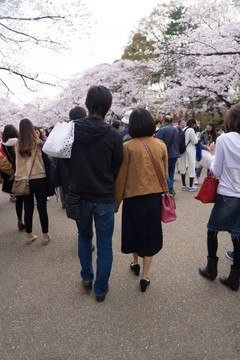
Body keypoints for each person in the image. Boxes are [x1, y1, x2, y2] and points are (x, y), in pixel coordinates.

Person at [67, 85, 123, 302]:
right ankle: (100, 289)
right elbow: (116, 167)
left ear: (87, 104)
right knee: (105, 244)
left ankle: (86, 278)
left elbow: (63, 158)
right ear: (108, 106)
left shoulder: (72, 129)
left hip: (79, 194)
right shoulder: (113, 135)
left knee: (83, 236)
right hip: (104, 196)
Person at [115, 108, 168, 293]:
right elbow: (165, 173)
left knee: (134, 232)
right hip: (154, 198)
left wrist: (116, 203)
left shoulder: (127, 147)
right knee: (151, 235)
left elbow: (121, 178)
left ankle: (135, 263)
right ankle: (144, 277)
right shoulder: (160, 145)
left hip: (132, 198)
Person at [199, 103, 240, 291]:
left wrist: (213, 154)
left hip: (228, 193)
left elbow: (215, 171)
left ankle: (211, 269)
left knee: (212, 230)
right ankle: (234, 277)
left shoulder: (224, 139)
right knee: (237, 235)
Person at [14, 118, 52, 245]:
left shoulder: (17, 145)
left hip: (24, 181)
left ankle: (29, 235)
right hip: (39, 179)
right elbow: (47, 162)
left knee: (28, 208)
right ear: (32, 129)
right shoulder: (39, 143)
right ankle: (45, 236)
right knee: (42, 208)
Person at [1, 125, 25, 231]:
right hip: (22, 171)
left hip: (10, 172)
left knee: (18, 198)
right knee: (27, 198)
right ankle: (28, 221)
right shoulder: (20, 143)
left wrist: (11, 172)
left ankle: (20, 219)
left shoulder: (3, 145)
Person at [156, 115, 179, 196]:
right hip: (175, 154)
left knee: (165, 172)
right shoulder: (177, 130)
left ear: (164, 122)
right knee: (171, 173)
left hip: (166, 154)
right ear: (172, 122)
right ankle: (170, 188)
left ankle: (171, 189)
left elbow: (157, 142)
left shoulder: (162, 130)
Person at [180, 118, 198, 191]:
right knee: (191, 167)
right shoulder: (191, 130)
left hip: (183, 150)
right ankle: (191, 186)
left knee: (183, 167)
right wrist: (197, 137)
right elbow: (194, 141)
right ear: (193, 124)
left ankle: (184, 185)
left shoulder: (184, 129)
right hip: (190, 151)